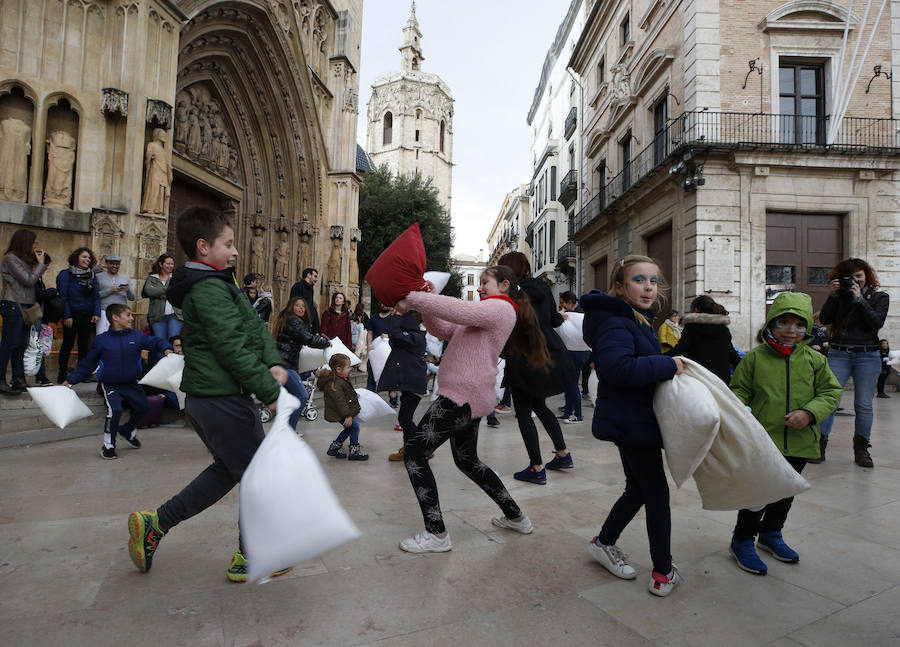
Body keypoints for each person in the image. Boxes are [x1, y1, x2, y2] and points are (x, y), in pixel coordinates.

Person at [127, 206, 289, 584]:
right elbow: (232, 346)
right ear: (203, 246)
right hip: (219, 399)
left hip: (214, 399)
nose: (235, 251)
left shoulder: (218, 285)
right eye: (228, 244)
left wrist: (272, 361)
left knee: (231, 471)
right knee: (255, 474)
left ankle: (156, 524)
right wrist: (268, 391)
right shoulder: (208, 290)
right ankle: (250, 556)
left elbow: (251, 327)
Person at [397, 266, 536, 553]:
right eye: (481, 282)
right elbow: (442, 328)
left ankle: (436, 534)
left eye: (486, 282)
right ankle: (516, 517)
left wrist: (414, 298)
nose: (481, 287)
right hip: (469, 395)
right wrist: (429, 299)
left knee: (414, 452)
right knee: (468, 461)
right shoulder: (485, 312)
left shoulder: (500, 308)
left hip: (461, 396)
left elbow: (460, 310)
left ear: (505, 285)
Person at [581, 255, 685, 597]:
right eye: (639, 280)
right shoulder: (617, 322)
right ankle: (663, 571)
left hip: (633, 417)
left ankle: (603, 541)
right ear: (621, 286)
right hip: (631, 420)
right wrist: (667, 364)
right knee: (656, 494)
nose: (649, 287)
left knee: (638, 490)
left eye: (653, 281)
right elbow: (617, 368)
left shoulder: (636, 319)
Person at [727, 292, 841, 575]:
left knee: (787, 490)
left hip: (801, 441)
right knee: (759, 493)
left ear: (808, 329)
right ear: (770, 324)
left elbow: (830, 391)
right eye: (784, 322)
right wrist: (741, 407)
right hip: (764, 440)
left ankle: (771, 534)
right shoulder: (754, 358)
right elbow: (739, 389)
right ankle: (742, 539)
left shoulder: (815, 360)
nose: (792, 330)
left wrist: (810, 413)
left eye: (799, 324)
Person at [497, 252, 575, 485]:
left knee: (523, 413)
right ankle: (562, 455)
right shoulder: (541, 286)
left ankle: (536, 467)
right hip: (547, 353)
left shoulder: (511, 293)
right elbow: (553, 320)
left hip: (523, 356)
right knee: (540, 406)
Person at [63, 303, 174, 459]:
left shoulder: (137, 335)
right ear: (115, 317)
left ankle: (127, 430)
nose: (131, 318)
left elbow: (156, 342)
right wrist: (70, 380)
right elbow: (88, 364)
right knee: (115, 411)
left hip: (131, 383)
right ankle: (108, 446)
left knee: (144, 407)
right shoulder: (102, 340)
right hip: (110, 384)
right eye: (127, 315)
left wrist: (167, 348)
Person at [816, 258, 889, 467]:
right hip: (839, 353)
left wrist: (859, 299)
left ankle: (862, 449)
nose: (855, 280)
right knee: (829, 400)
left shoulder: (879, 297)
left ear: (867, 276)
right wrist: (833, 295)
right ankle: (819, 445)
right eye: (849, 277)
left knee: (864, 405)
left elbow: (876, 322)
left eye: (859, 275)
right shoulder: (838, 297)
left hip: (868, 354)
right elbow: (826, 319)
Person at [272, 296, 331, 430]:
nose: (301, 308)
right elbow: (307, 338)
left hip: (285, 363)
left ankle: (283, 430)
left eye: (303, 306)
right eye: (297, 305)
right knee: (302, 396)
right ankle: (289, 431)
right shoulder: (293, 320)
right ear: (291, 307)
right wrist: (325, 342)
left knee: (289, 399)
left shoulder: (289, 321)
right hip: (285, 364)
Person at [0, 229, 48, 394]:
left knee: (21, 344)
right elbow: (28, 280)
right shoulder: (10, 258)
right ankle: (1, 380)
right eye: (34, 243)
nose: (36, 246)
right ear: (25, 242)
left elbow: (33, 278)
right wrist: (40, 265)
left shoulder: (24, 260)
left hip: (27, 306)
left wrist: (39, 262)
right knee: (9, 344)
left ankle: (18, 379)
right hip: (13, 305)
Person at [380, 307, 427, 462]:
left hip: (413, 384)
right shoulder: (413, 336)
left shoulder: (415, 337)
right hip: (410, 383)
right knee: (405, 418)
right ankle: (413, 449)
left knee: (405, 419)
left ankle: (419, 449)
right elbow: (395, 338)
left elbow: (394, 333)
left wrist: (398, 315)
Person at [665, 295, 741, 384]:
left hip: (699, 377)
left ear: (696, 309)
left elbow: (681, 349)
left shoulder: (692, 327)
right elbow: (731, 353)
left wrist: (661, 357)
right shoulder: (723, 329)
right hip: (721, 379)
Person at [55, 247, 101, 383]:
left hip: (87, 314)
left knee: (84, 344)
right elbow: (63, 297)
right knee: (68, 344)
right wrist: (67, 315)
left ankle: (81, 373)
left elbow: (96, 297)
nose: (87, 260)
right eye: (84, 257)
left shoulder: (92, 276)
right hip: (72, 313)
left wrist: (97, 313)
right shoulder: (65, 274)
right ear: (76, 257)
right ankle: (62, 373)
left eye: (89, 258)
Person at [318, 353, 369, 460]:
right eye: (348, 367)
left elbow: (346, 393)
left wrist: (354, 395)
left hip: (341, 411)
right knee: (355, 427)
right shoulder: (335, 383)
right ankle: (354, 451)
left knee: (349, 428)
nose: (350, 369)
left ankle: (334, 448)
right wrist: (348, 415)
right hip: (340, 412)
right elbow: (339, 401)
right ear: (338, 369)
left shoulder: (341, 378)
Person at [558, 290, 590, 424]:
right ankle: (567, 413)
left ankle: (578, 414)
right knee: (569, 383)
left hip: (577, 352)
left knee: (572, 383)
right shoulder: (579, 312)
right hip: (578, 351)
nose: (562, 306)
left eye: (563, 303)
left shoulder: (578, 314)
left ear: (569, 302)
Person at [142, 253, 182, 350]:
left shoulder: (177, 277)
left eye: (172, 264)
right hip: (157, 316)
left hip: (175, 315)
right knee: (161, 344)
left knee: (174, 344)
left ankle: (173, 365)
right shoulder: (152, 277)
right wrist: (167, 290)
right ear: (161, 264)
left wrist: (158, 291)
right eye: (168, 263)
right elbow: (148, 291)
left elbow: (179, 291)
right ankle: (162, 364)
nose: (170, 266)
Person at [366, 304, 398, 405]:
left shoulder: (394, 318)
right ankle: (370, 399)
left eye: (386, 303)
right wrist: (369, 345)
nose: (384, 305)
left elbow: (398, 333)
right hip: (375, 351)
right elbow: (370, 332)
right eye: (382, 303)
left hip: (389, 351)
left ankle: (393, 400)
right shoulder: (374, 317)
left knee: (391, 374)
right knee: (371, 374)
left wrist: (388, 336)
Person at [96, 254, 135, 335]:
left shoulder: (125, 278)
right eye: (112, 263)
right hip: (104, 311)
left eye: (117, 264)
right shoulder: (98, 277)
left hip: (122, 312)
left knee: (122, 335)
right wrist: (109, 290)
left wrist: (128, 290)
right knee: (103, 335)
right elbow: (95, 296)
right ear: (107, 263)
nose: (114, 266)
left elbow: (132, 298)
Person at [289, 267, 320, 333]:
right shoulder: (298, 286)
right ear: (309, 275)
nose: (316, 279)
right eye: (315, 276)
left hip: (307, 321)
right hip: (300, 321)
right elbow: (294, 303)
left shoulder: (310, 288)